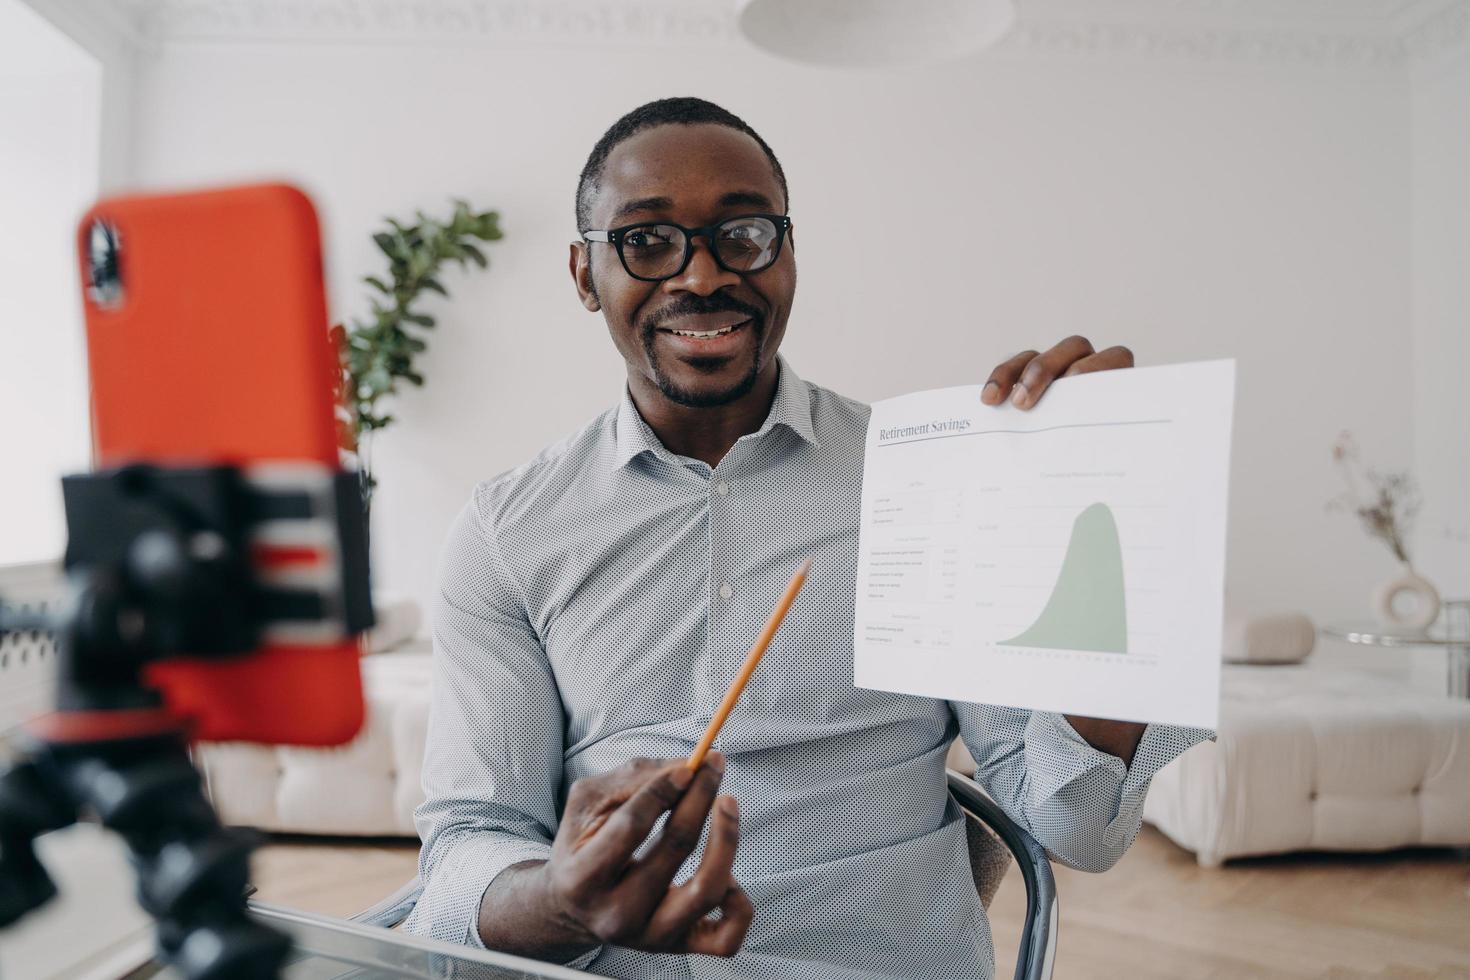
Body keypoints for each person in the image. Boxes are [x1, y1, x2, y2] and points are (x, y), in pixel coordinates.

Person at [402, 97, 1212, 979]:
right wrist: (557, 899)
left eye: (743, 233)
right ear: (584, 273)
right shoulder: (505, 531)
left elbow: (1077, 826)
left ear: (788, 253)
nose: (702, 276)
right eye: (647, 240)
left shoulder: (930, 480)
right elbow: (468, 852)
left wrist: (1115, 529)